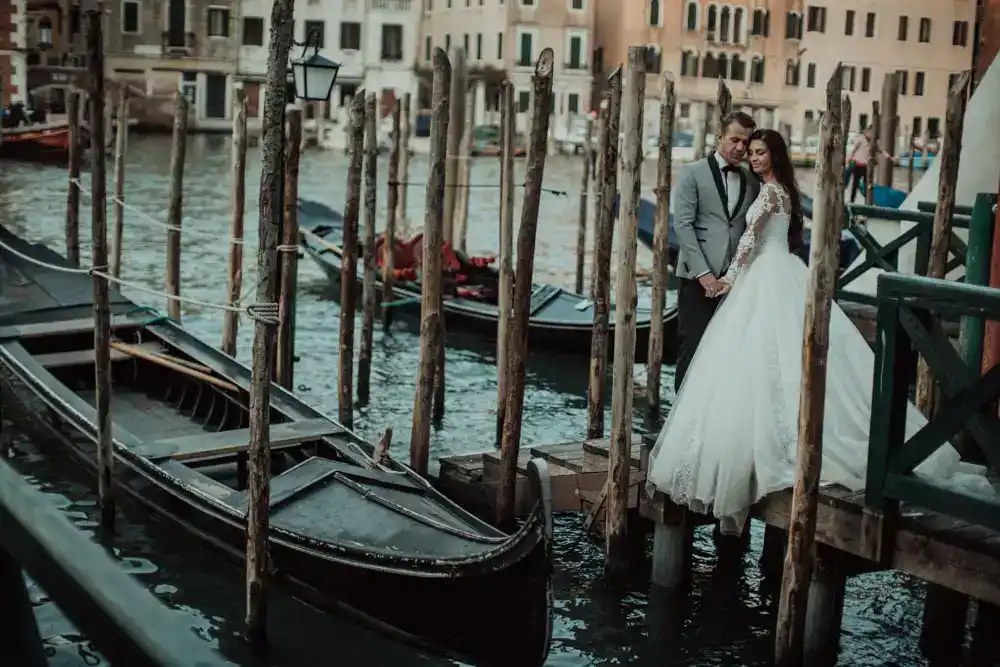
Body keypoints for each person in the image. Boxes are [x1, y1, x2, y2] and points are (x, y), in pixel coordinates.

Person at [646, 129, 991, 536]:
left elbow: (749, 244)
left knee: (756, 358)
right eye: (750, 152)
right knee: (772, 361)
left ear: (773, 155)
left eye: (759, 153)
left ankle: (762, 450)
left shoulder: (771, 193)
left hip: (764, 275)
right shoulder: (783, 191)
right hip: (781, 272)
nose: (753, 158)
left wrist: (726, 281)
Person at [672, 111, 761, 392]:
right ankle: (679, 422)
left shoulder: (751, 181)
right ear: (719, 137)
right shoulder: (692, 172)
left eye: (745, 143)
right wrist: (705, 275)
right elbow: (682, 227)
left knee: (726, 352)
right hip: (697, 279)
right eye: (734, 139)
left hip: (734, 284)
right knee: (693, 347)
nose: (739, 148)